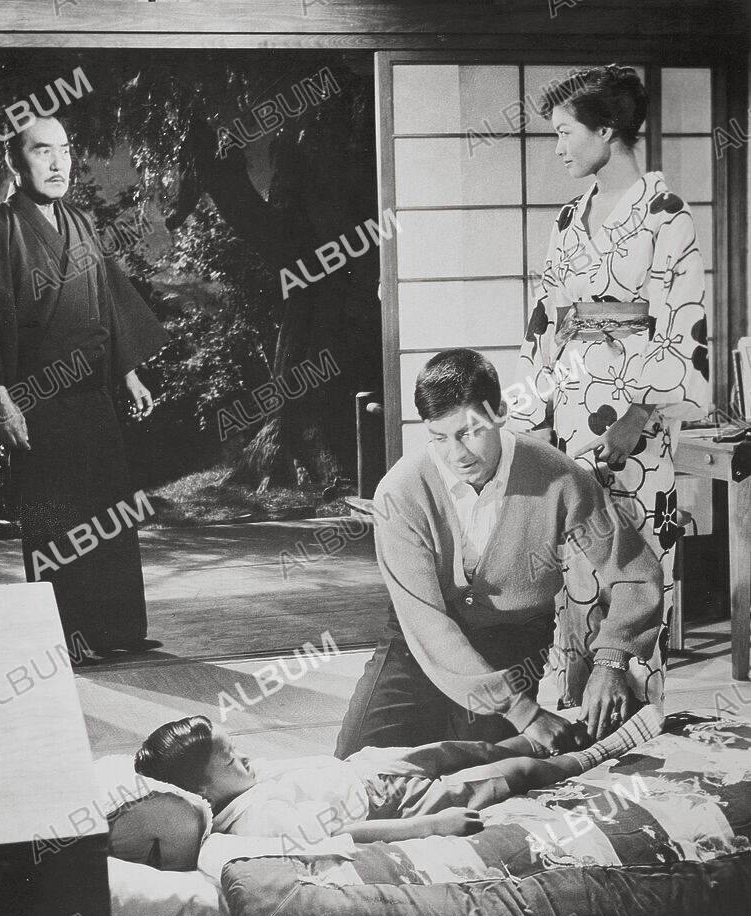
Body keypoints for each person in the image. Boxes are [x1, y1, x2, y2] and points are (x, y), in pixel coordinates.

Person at [334, 349, 665, 760]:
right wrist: (524, 712)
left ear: (502, 413)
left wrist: (612, 659)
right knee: (361, 764)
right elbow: (429, 626)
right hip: (419, 641)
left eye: (470, 431)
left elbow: (635, 570)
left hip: (515, 638)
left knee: (480, 769)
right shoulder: (400, 492)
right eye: (440, 437)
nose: (457, 454)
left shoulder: (559, 476)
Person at [509, 65, 709, 714]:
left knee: (639, 565)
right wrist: (534, 411)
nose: (558, 147)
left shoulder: (665, 217)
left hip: (636, 432)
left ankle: (633, 726)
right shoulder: (570, 218)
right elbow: (546, 318)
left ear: (607, 129)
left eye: (566, 132)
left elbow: (684, 326)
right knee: (574, 576)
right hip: (571, 416)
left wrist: (642, 411)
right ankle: (572, 723)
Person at [0, 116, 168, 662]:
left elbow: (105, 300)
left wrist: (127, 370)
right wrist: (0, 397)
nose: (58, 164)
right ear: (14, 160)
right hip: (38, 399)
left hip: (93, 394)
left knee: (108, 513)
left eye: (64, 150)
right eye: (42, 151)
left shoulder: (79, 222)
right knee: (57, 520)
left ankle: (118, 630)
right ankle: (69, 635)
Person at [134, 706, 664, 844]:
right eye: (229, 758)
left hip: (367, 768)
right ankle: (599, 754)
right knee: (508, 774)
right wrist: (428, 828)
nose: (243, 757)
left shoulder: (242, 782)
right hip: (393, 805)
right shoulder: (253, 822)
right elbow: (344, 833)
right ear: (203, 790)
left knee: (470, 748)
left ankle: (564, 730)